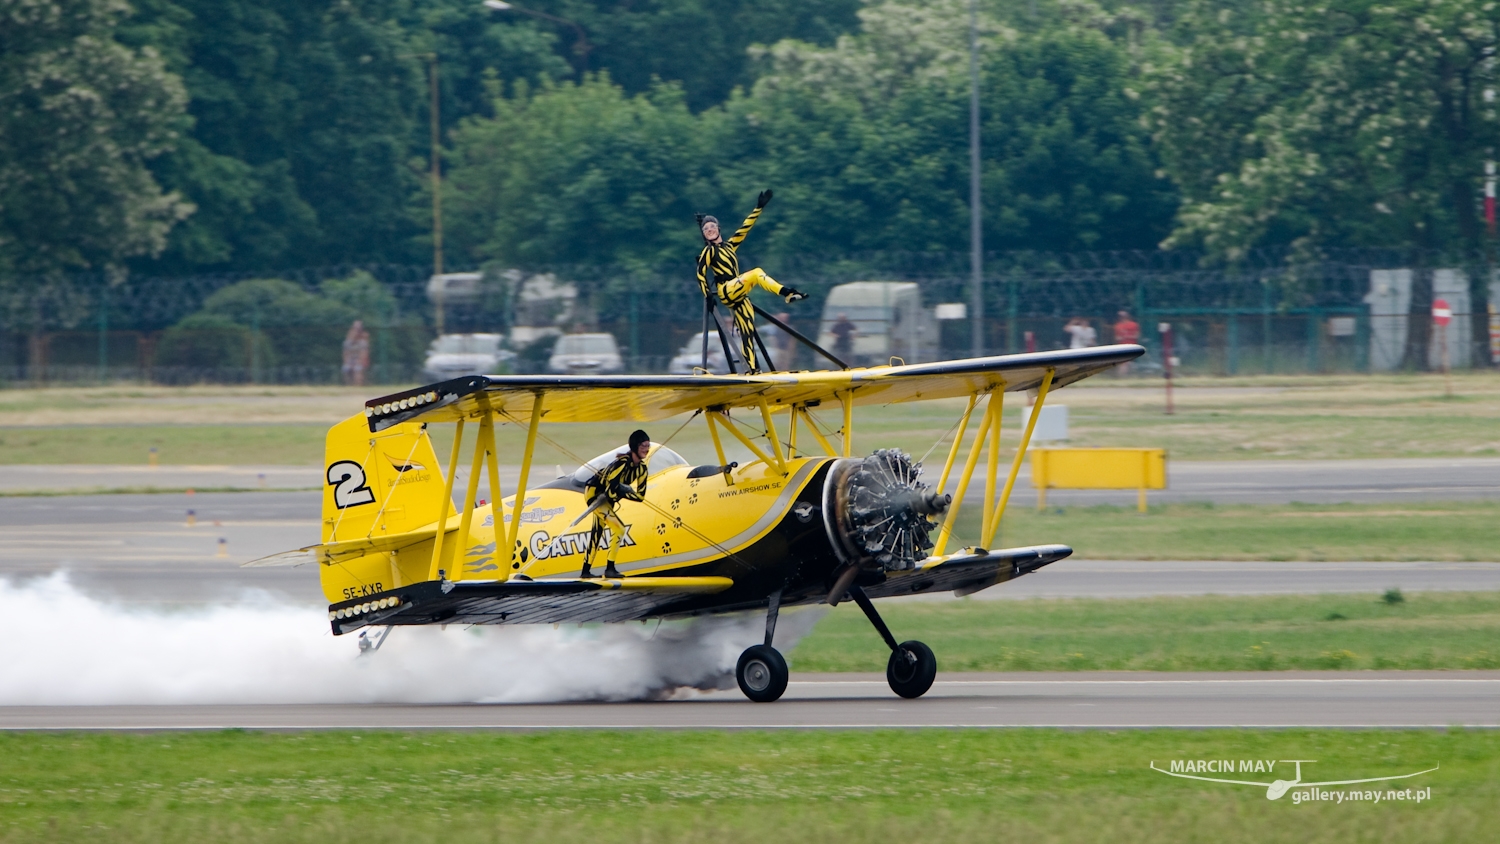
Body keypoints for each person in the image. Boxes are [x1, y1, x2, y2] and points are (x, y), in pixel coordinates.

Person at [696, 189, 807, 373]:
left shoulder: (730, 245)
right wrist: (707, 295)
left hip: (739, 294)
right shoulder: (708, 252)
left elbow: (745, 227)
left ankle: (752, 369)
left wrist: (758, 208)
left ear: (718, 228)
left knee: (748, 330)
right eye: (705, 229)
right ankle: (787, 293)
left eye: (711, 227)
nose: (709, 231)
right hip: (726, 290)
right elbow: (700, 273)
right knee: (756, 273)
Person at [580, 429, 651, 579]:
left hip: (608, 498)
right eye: (643, 445)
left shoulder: (642, 469)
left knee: (597, 531)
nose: (647, 449)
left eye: (648, 445)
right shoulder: (621, 464)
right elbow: (611, 491)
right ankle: (610, 568)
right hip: (594, 494)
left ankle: (585, 571)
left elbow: (640, 496)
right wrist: (623, 490)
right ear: (634, 446)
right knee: (619, 528)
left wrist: (623, 490)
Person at [341, 320, 370, 386]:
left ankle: (358, 386)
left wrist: (357, 363)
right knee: (346, 368)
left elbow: (364, 355)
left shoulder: (363, 342)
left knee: (357, 369)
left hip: (360, 361)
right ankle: (349, 386)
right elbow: (345, 354)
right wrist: (348, 363)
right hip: (350, 361)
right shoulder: (347, 343)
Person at [1112, 310, 1141, 375]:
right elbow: (1117, 338)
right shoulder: (1118, 326)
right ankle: (1124, 376)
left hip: (1132, 346)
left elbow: (1136, 335)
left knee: (1126, 362)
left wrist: (1126, 336)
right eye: (1120, 316)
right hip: (1122, 347)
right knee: (1124, 362)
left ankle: (1125, 375)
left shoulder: (1133, 325)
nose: (1122, 317)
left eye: (1123, 316)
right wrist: (1124, 337)